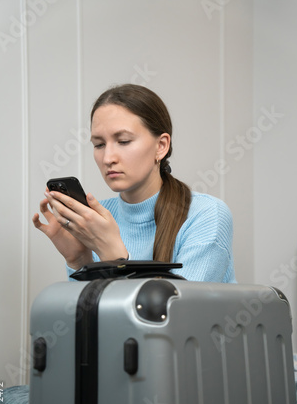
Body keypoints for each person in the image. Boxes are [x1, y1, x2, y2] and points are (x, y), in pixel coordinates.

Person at [32, 84, 236, 282]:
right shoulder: (96, 219)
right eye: (99, 144)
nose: (107, 158)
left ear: (161, 146)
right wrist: (79, 260)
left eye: (123, 141)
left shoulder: (206, 215)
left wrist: (115, 257)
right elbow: (88, 314)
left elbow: (176, 312)